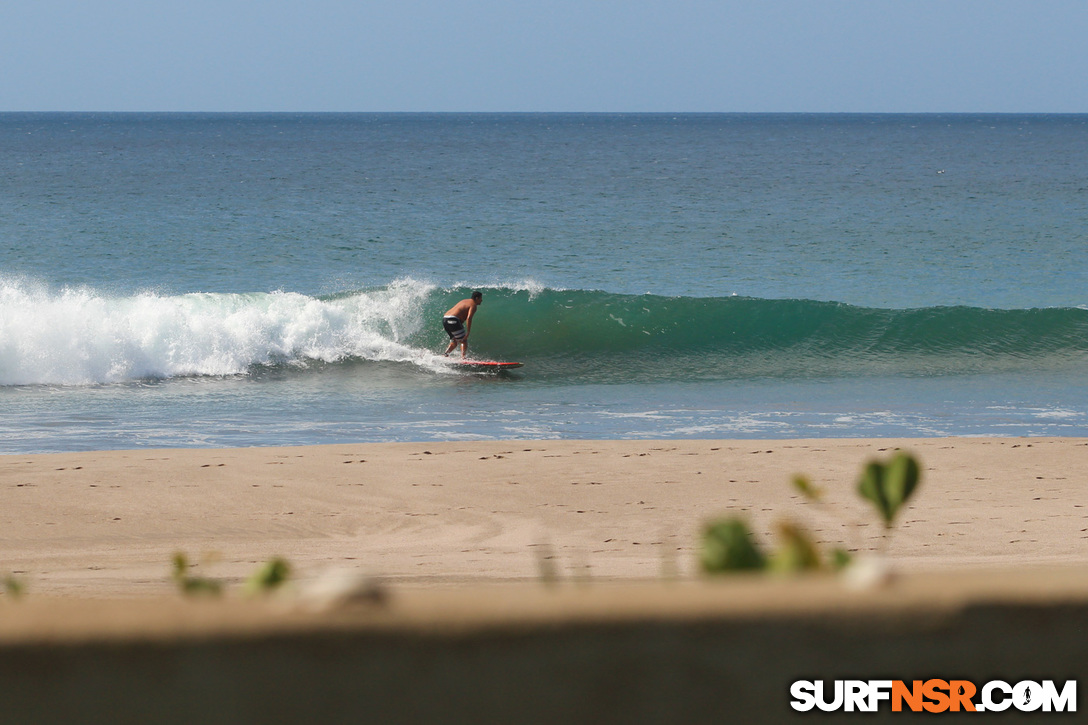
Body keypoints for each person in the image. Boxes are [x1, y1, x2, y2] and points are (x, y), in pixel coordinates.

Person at [442, 290, 482, 358]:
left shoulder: (464, 301)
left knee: (454, 341)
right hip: (453, 319)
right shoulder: (473, 305)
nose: (481, 300)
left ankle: (445, 354)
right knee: (463, 340)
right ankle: (463, 358)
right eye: (481, 298)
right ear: (477, 298)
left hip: (445, 319)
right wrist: (468, 332)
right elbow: (469, 318)